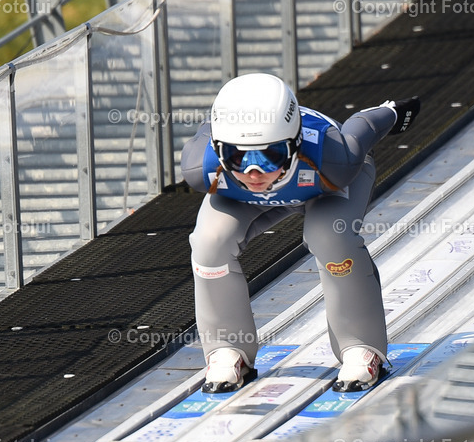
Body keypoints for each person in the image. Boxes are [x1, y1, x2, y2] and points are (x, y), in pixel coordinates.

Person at [180, 73, 419, 394]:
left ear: (294, 145)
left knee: (331, 238)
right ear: (218, 150)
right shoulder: (201, 168)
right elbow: (207, 129)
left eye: (270, 155)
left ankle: (360, 345)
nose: (254, 172)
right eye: (238, 156)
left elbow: (364, 124)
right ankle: (227, 346)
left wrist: (393, 111)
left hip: (325, 187)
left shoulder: (336, 157)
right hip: (245, 196)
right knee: (209, 243)